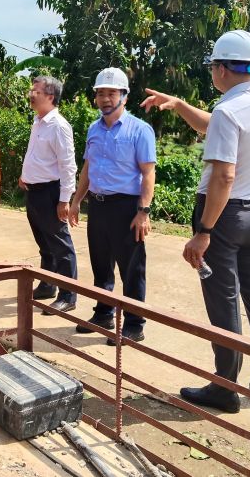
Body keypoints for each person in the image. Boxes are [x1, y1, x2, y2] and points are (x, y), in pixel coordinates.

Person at [141, 29, 250, 414]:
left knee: (224, 302)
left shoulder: (227, 111)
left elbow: (224, 176)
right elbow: (213, 126)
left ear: (221, 69)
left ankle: (224, 388)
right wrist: (180, 104)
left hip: (224, 218)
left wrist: (203, 232)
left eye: (213, 67)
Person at [69, 67, 156, 345]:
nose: (106, 98)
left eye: (112, 93)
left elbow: (148, 172)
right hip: (99, 205)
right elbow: (87, 168)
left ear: (124, 97)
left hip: (127, 207)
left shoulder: (140, 130)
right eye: (101, 93)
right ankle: (104, 312)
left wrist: (143, 212)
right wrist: (76, 201)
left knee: (131, 268)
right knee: (101, 264)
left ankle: (134, 324)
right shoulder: (94, 129)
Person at [19, 76, 79, 314]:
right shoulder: (38, 121)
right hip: (34, 192)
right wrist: (26, 175)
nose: (31, 94)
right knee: (44, 243)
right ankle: (48, 284)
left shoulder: (59, 125)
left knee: (61, 245)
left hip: (51, 193)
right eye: (32, 89)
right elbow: (39, 155)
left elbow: (68, 165)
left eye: (37, 91)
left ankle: (68, 295)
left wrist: (65, 199)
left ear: (50, 97)